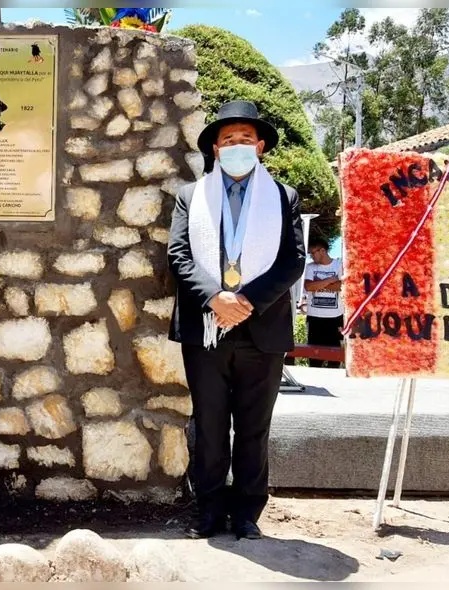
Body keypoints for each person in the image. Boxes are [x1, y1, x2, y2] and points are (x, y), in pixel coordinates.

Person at [168, 100, 305, 540]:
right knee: (209, 425)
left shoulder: (284, 197)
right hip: (206, 329)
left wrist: (246, 301)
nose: (237, 146)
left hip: (261, 328)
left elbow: (292, 261)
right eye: (228, 140)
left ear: (260, 146)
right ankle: (208, 509)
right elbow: (179, 255)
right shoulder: (191, 196)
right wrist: (215, 299)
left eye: (246, 139)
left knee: (253, 427)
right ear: (215, 148)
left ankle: (247, 513)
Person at [303, 238, 344, 368]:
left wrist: (319, 284)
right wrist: (331, 280)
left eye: (313, 253)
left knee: (335, 357)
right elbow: (308, 287)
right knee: (314, 358)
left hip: (335, 318)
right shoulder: (310, 267)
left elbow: (341, 286)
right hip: (315, 318)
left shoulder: (339, 265)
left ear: (322, 251)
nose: (311, 256)